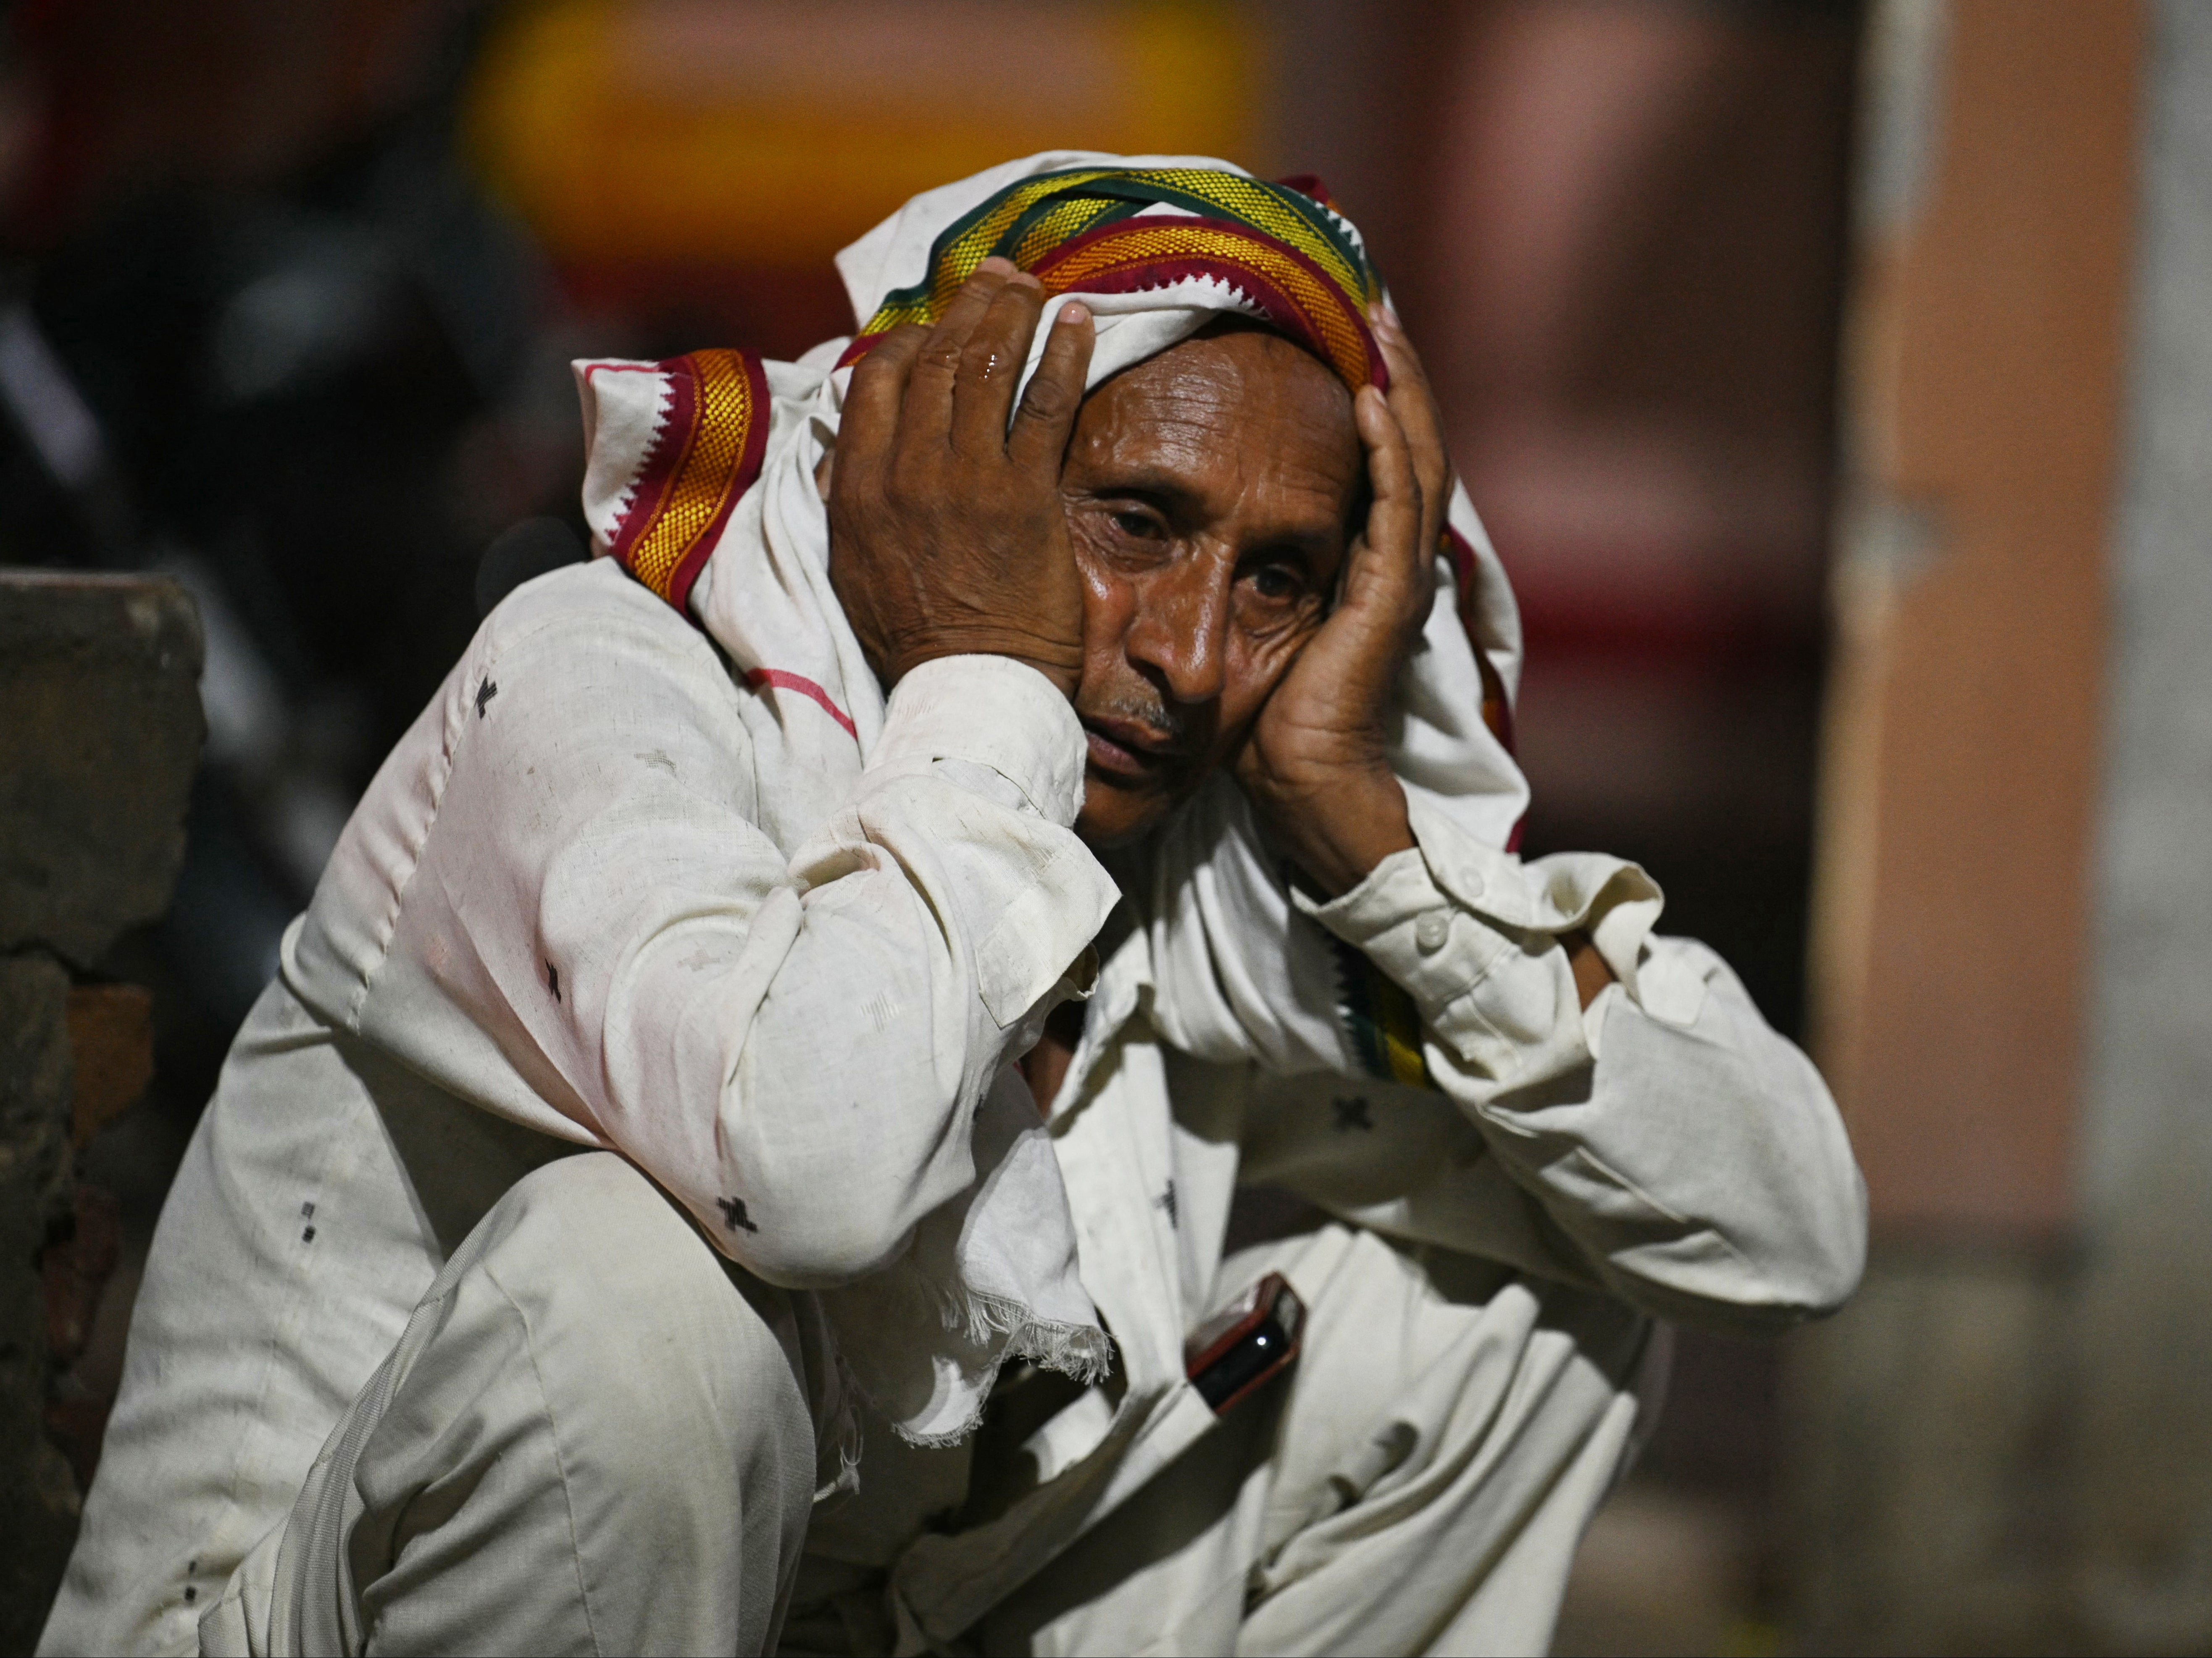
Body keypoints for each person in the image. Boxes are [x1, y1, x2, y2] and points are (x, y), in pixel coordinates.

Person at [42, 155, 1864, 1658]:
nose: (1193, 655)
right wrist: (983, 672)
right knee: (639, 1302)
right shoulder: (607, 683)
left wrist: (1371, 840)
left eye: (1281, 582)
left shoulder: (1199, 858)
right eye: (1132, 522)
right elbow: (814, 1167)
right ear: (931, 476)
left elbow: (1782, 1232)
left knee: (1527, 1303)